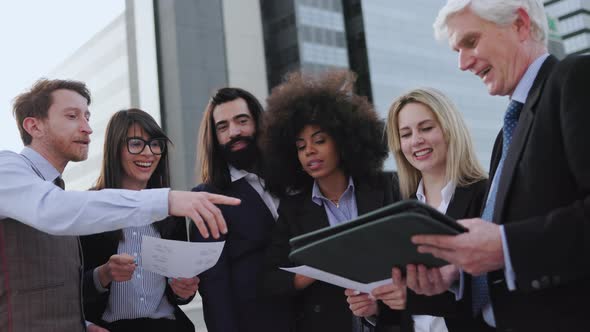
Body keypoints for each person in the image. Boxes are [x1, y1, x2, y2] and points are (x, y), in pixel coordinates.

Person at [0, 79, 239, 332]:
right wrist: (166, 200)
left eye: (87, 117)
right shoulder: (8, 168)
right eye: (72, 116)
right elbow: (53, 209)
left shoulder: (61, 194)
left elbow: (61, 288)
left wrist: (84, 324)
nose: (87, 128)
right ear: (34, 126)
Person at [410, 1, 590, 330]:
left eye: (470, 42)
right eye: (456, 50)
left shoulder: (576, 79)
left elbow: (508, 244)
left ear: (520, 25)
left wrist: (507, 247)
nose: (462, 63)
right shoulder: (506, 133)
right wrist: (457, 272)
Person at [261, 69, 400, 332]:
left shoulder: (387, 188)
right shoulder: (293, 210)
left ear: (343, 141)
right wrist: (316, 268)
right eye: (301, 147)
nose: (309, 151)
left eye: (319, 141)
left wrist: (380, 307)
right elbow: (271, 281)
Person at [347, 87, 487, 332]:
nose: (416, 140)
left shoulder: (484, 194)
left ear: (449, 129)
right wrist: (377, 307)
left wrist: (411, 299)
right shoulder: (400, 210)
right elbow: (404, 307)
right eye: (406, 133)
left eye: (426, 128)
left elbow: (489, 289)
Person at [81, 109, 198, 332]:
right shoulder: (90, 207)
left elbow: (178, 295)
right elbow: (70, 289)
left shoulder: (171, 210)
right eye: (136, 144)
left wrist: (184, 289)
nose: (149, 153)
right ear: (115, 149)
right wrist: (104, 273)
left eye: (155, 144)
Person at [189, 87, 291, 332]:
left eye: (241, 121)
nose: (234, 132)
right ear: (214, 136)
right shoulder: (207, 198)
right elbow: (214, 289)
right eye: (223, 127)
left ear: (258, 122)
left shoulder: (291, 179)